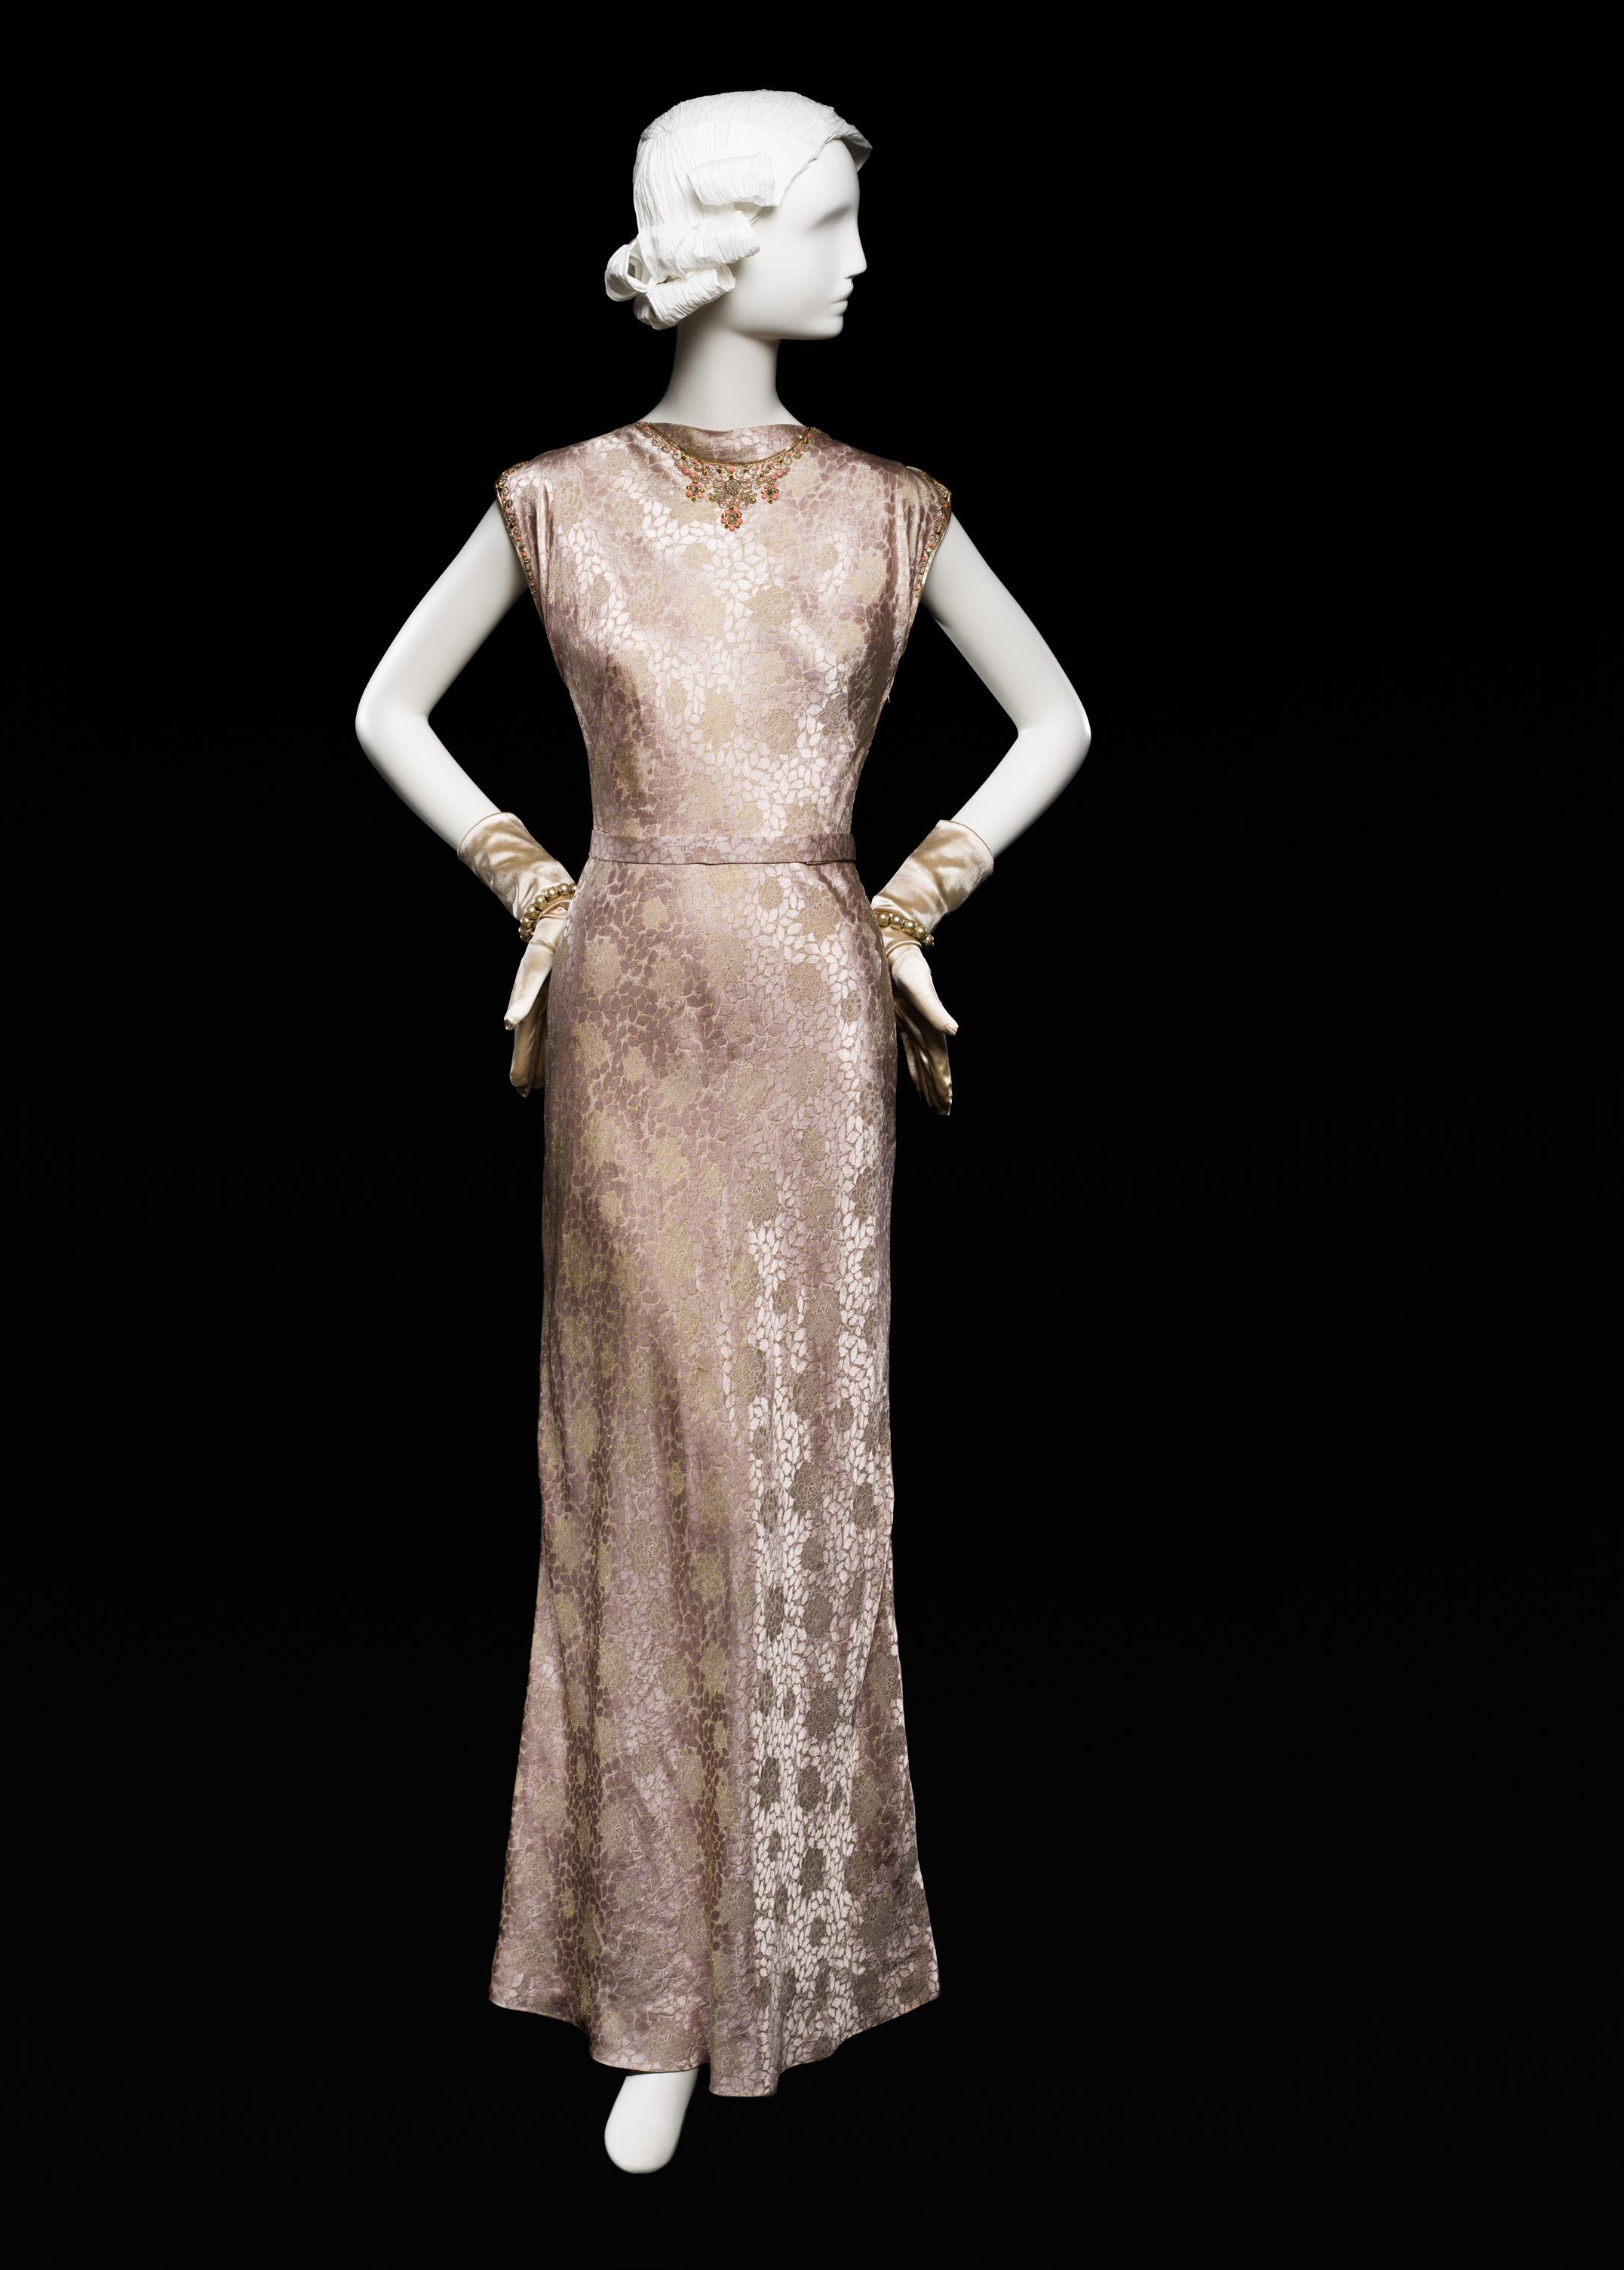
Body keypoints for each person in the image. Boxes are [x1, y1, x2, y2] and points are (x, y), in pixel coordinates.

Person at [354, 89, 1091, 2172]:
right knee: (642, 1462)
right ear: (726, 233)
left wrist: (913, 900)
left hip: (805, 1006)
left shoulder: (890, 509)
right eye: (831, 220)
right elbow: (387, 704)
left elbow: (1060, 716)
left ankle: (788, 1949)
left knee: (803, 1455)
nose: (858, 259)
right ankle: (654, 1982)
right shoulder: (557, 500)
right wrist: (534, 884)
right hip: (634, 1002)